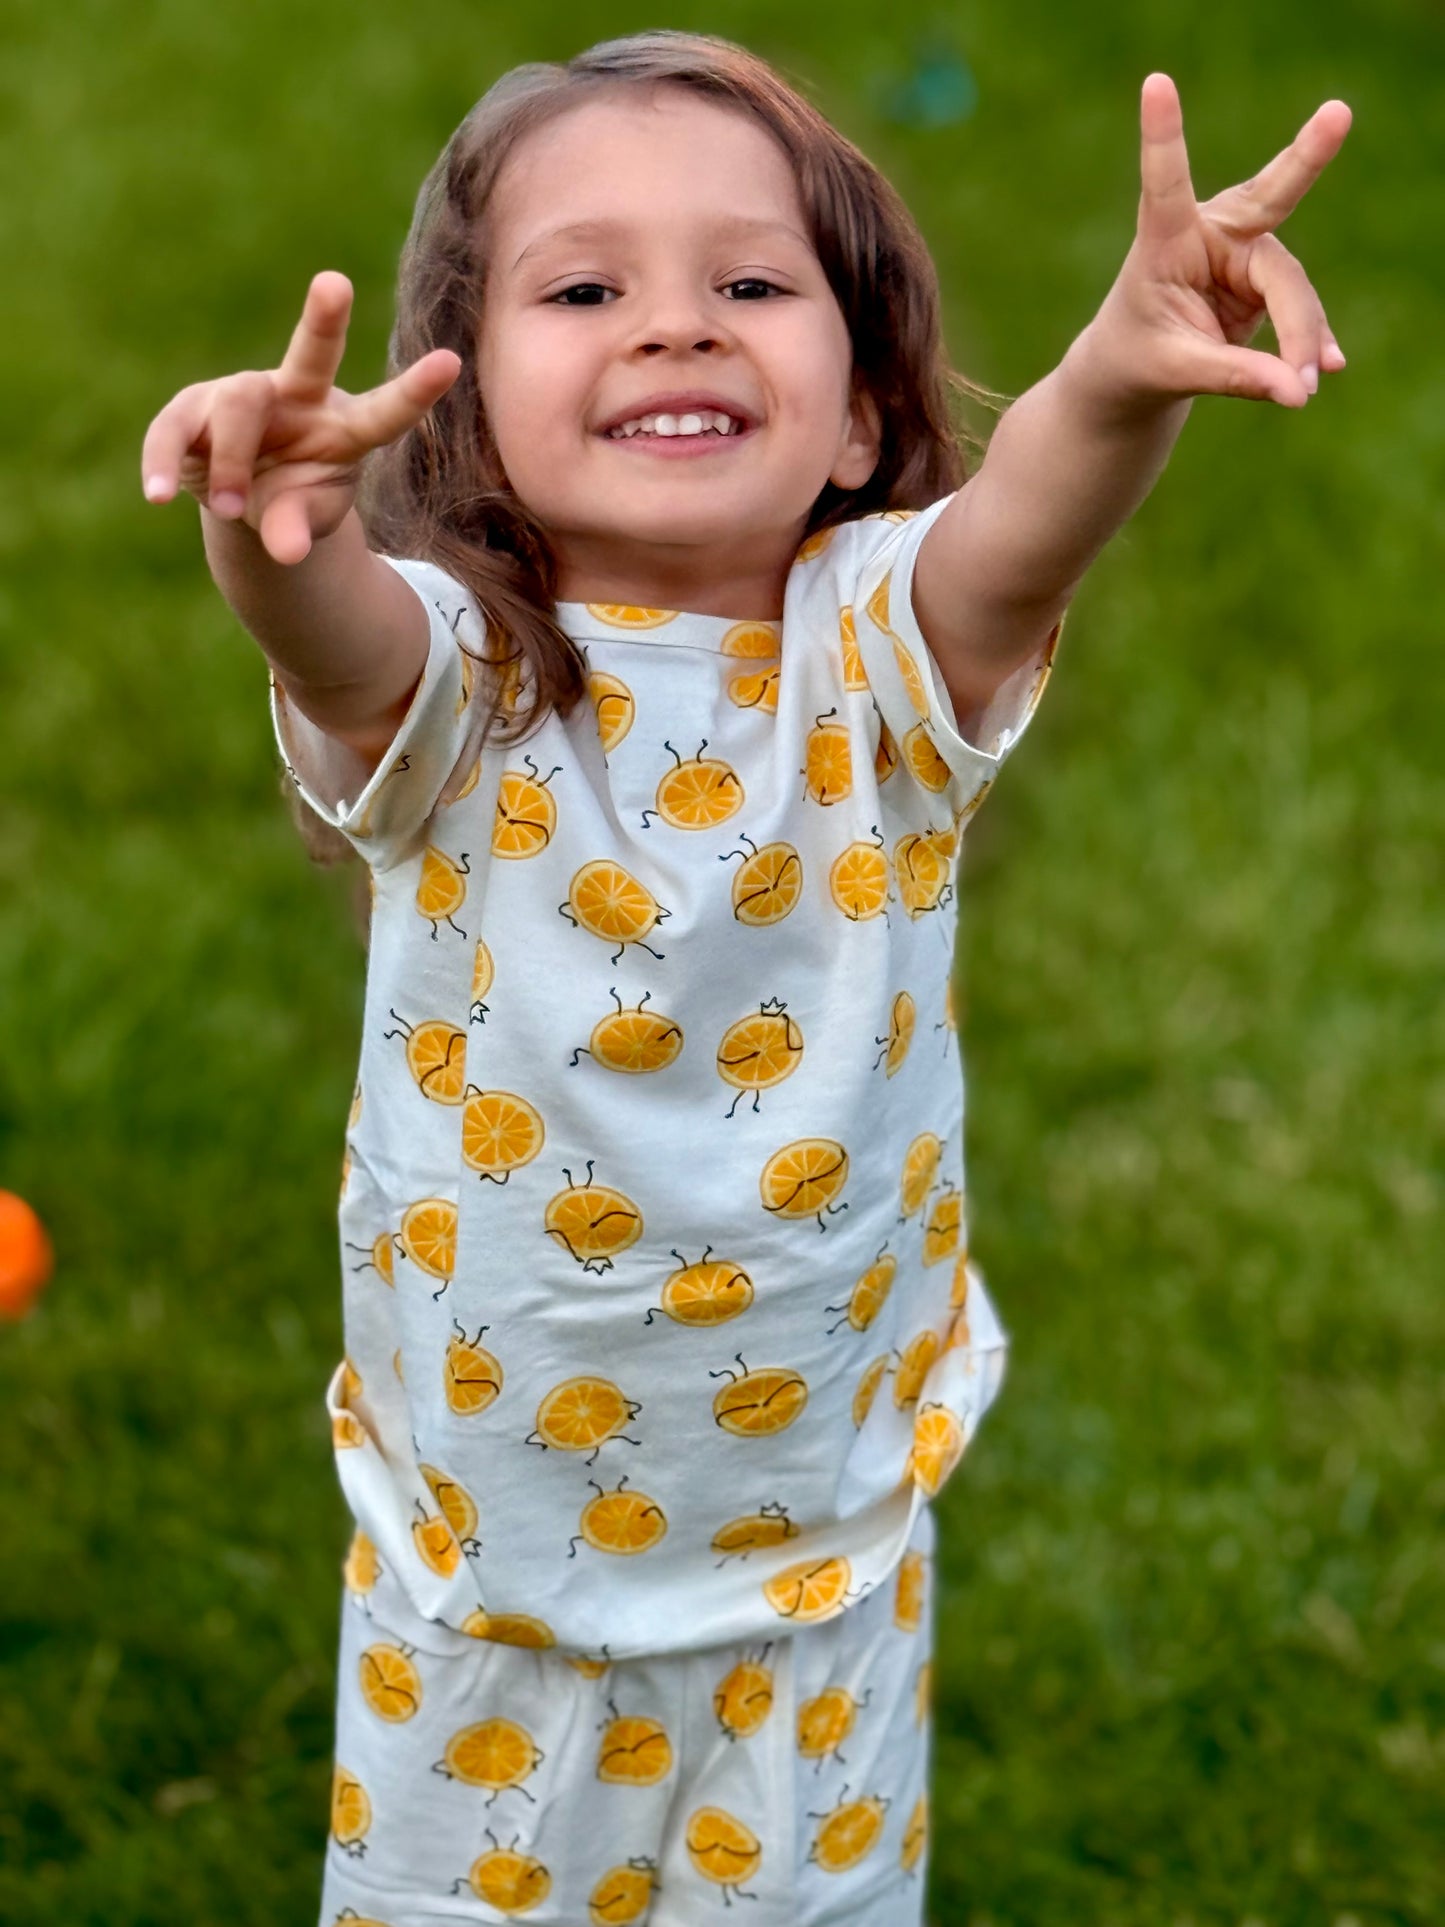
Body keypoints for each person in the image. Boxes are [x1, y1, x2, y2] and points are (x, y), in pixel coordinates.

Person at [140, 31, 1348, 1927]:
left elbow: (1031, 515)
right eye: (584, 291)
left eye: (753, 284)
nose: (675, 324)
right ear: (469, 417)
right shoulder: (456, 679)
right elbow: (330, 627)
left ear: (857, 417)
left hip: (815, 1572)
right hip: (488, 1595)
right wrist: (267, 523)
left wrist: (1121, 364)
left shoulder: (886, 652)